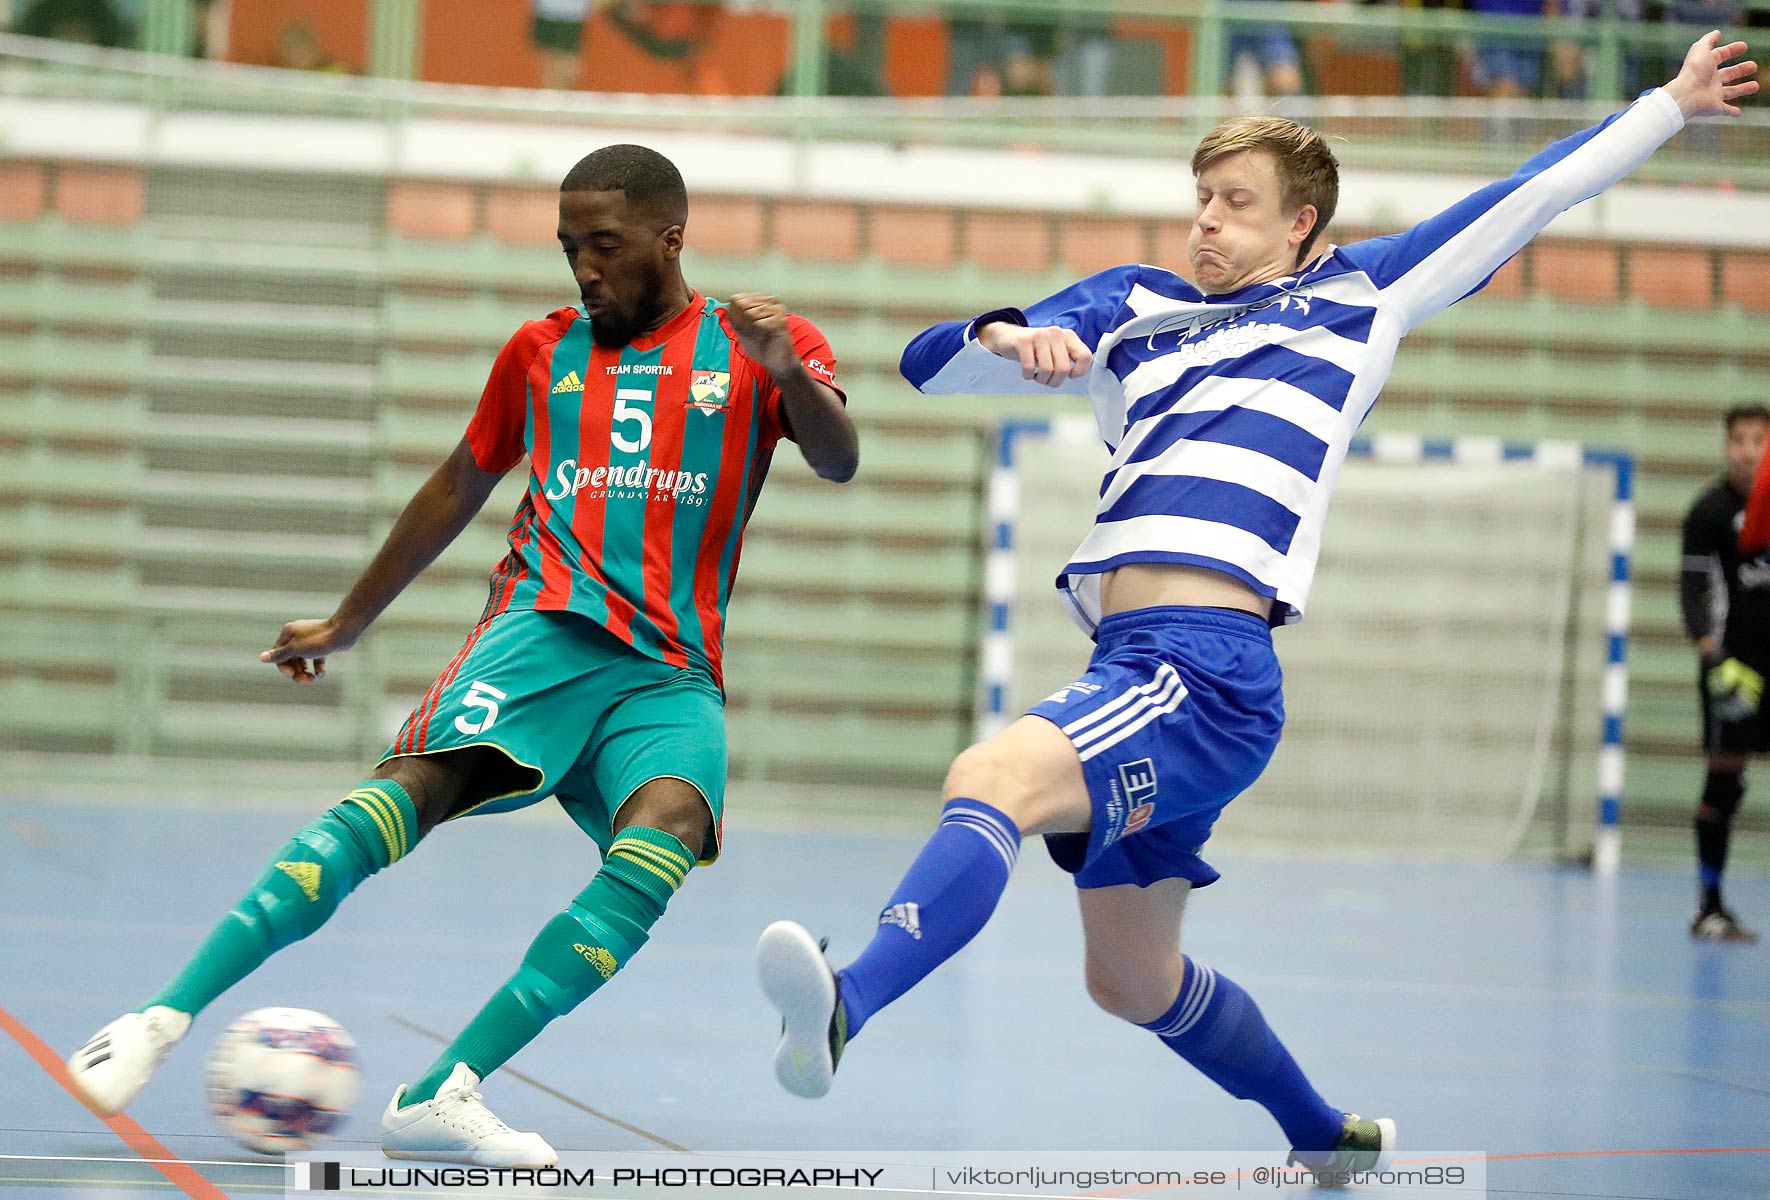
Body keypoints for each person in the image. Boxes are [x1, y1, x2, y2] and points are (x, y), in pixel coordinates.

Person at [757, 32, 1757, 1182]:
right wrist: (1004, 334)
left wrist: (1668, 105)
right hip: (1131, 663)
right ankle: (1323, 1135)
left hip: (1204, 664)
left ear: (1300, 226)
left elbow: (1527, 195)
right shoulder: (1131, 308)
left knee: (992, 778)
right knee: (1129, 978)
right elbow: (926, 364)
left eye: (1236, 204)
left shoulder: (1357, 298)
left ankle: (845, 1004)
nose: (1207, 223)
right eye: (1200, 200)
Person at [66, 144, 859, 1167]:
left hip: (671, 672)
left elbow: (837, 458)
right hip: (543, 628)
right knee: (409, 795)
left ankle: (444, 1091)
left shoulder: (763, 345)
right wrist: (349, 621)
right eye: (570, 247)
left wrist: (790, 374)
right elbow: (457, 484)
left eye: (605, 245)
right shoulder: (539, 352)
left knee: (663, 842)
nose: (583, 267)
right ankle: (156, 1019)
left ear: (670, 238)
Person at [1679, 404, 1768, 944]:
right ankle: (1709, 906)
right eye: (1739, 439)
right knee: (1724, 780)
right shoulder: (1709, 511)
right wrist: (1713, 655)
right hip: (1734, 667)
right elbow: (1693, 590)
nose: (1748, 450)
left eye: (1759, 440)